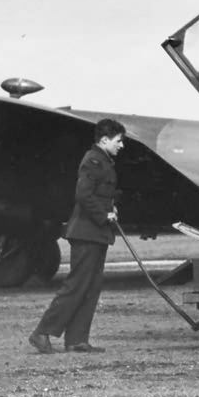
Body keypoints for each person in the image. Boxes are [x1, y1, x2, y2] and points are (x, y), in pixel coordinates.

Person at [28, 117, 126, 354]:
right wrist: (105, 216)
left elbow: (99, 194)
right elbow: (83, 195)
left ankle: (77, 340)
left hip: (96, 233)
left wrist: (111, 208)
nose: (121, 145)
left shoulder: (103, 161)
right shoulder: (93, 161)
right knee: (77, 285)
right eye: (118, 140)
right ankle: (41, 333)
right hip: (87, 232)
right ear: (104, 140)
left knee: (91, 287)